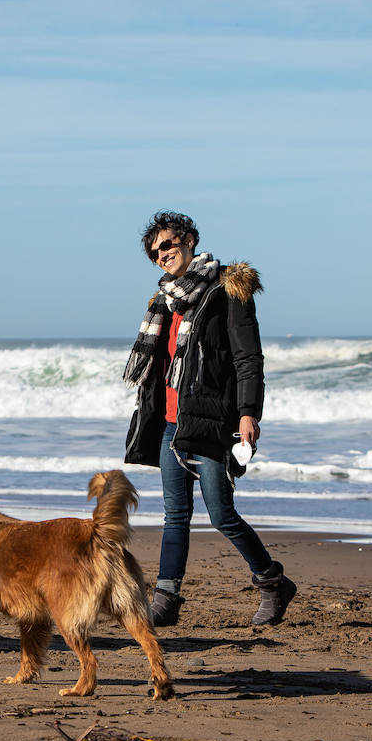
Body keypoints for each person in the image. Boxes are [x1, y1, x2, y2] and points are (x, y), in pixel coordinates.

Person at [123, 211, 297, 627]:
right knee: (175, 515)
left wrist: (248, 414)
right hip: (170, 423)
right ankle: (165, 598)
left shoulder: (226, 291)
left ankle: (272, 581)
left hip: (212, 422)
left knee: (221, 514)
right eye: (154, 252)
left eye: (167, 244)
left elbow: (247, 358)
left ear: (188, 239)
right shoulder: (162, 300)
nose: (161, 254)